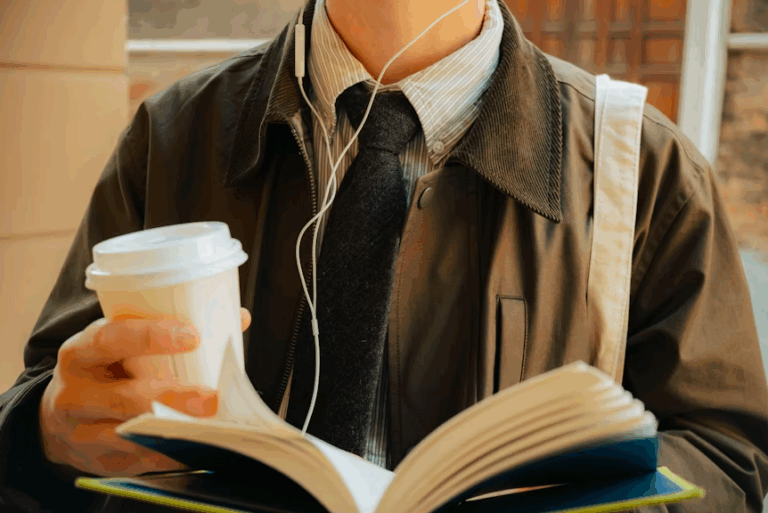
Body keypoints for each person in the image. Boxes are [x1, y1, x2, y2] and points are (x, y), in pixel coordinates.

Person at [1, 0, 767, 510]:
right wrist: (44, 431)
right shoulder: (170, 140)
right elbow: (41, 410)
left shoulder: (649, 170)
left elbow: (730, 458)